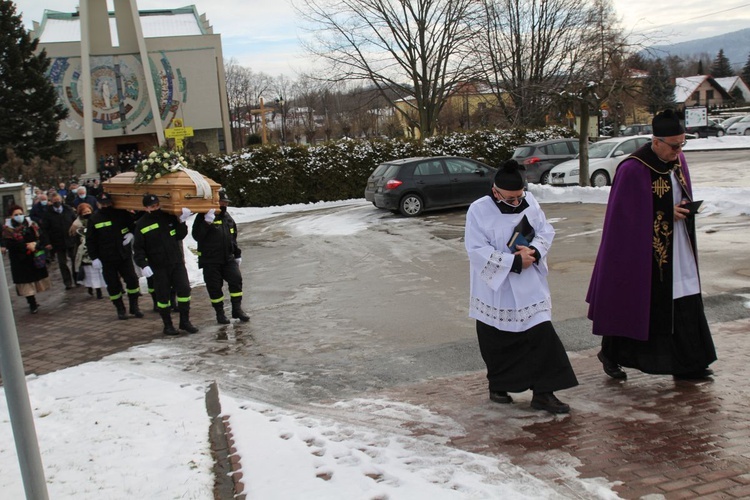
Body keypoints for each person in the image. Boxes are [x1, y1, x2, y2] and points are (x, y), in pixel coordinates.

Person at [587, 109, 717, 381]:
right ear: (656, 141)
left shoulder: (678, 161)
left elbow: (679, 193)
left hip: (677, 246)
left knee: (684, 296)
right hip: (642, 254)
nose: (679, 151)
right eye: (674, 145)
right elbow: (624, 219)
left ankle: (690, 362)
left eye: (682, 144)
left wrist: (683, 207)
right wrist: (665, 213)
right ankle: (611, 353)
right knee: (634, 303)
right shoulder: (633, 168)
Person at [464, 159, 578, 414]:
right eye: (510, 198)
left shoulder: (531, 203)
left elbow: (545, 231)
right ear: (495, 191)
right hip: (496, 289)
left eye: (519, 196)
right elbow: (476, 249)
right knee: (498, 340)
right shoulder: (478, 210)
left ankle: (544, 393)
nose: (517, 202)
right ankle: (499, 384)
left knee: (541, 335)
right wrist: (512, 261)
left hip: (528, 286)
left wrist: (534, 251)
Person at [133, 194, 197, 335]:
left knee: (185, 290)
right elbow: (138, 249)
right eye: (152, 206)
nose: (155, 208)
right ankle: (167, 325)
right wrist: (144, 265)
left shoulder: (168, 217)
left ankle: (184, 321)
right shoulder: (141, 224)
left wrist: (182, 221)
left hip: (176, 262)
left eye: (156, 205)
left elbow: (180, 235)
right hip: (158, 266)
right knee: (163, 297)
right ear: (146, 208)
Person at [192, 189, 249, 324]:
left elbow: (232, 237)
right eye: (221, 202)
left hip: (228, 258)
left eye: (225, 203)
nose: (224, 205)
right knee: (215, 287)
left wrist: (237, 253)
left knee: (236, 280)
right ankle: (220, 313)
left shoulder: (227, 217)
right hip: (210, 260)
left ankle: (237, 309)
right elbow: (197, 236)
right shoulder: (203, 216)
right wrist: (206, 223)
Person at [86, 192, 144, 320]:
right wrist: (94, 257)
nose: (106, 205)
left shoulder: (121, 213)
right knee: (113, 285)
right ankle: (120, 309)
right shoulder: (94, 218)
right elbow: (90, 240)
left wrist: (131, 234)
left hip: (123, 255)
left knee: (132, 280)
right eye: (103, 203)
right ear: (99, 204)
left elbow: (134, 226)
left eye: (108, 203)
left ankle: (134, 307)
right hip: (106, 258)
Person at [2, 205, 51, 313]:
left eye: (20, 214)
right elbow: (9, 243)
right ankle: (32, 303)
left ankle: (33, 300)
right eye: (16, 215)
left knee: (35, 279)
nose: (19, 216)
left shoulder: (31, 225)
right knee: (25, 282)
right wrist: (25, 246)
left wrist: (35, 244)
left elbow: (40, 237)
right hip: (19, 259)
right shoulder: (7, 229)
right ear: (11, 216)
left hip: (33, 256)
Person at [41, 193, 78, 290]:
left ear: (61, 200)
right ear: (51, 201)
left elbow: (76, 222)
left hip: (71, 239)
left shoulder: (68, 210)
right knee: (62, 263)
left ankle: (77, 279)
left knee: (75, 260)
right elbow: (44, 229)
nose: (57, 202)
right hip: (57, 241)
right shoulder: (47, 213)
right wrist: (47, 242)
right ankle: (67, 282)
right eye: (54, 200)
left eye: (58, 199)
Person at [70, 202, 105, 299]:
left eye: (88, 211)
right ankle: (91, 287)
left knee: (98, 271)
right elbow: (74, 237)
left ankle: (99, 290)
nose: (87, 213)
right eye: (84, 212)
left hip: (96, 248)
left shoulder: (95, 219)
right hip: (84, 252)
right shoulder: (76, 224)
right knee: (89, 272)